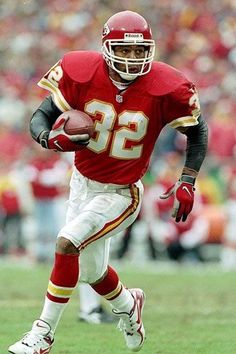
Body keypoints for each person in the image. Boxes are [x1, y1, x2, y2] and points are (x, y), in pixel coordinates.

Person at [9, 10, 208, 354]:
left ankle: (42, 335)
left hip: (122, 192)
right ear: (106, 46)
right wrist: (49, 139)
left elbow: (197, 131)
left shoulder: (168, 85)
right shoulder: (80, 71)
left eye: (139, 50)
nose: (133, 58)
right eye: (125, 50)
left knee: (67, 241)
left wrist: (188, 178)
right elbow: (41, 116)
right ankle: (129, 306)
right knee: (91, 272)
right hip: (82, 183)